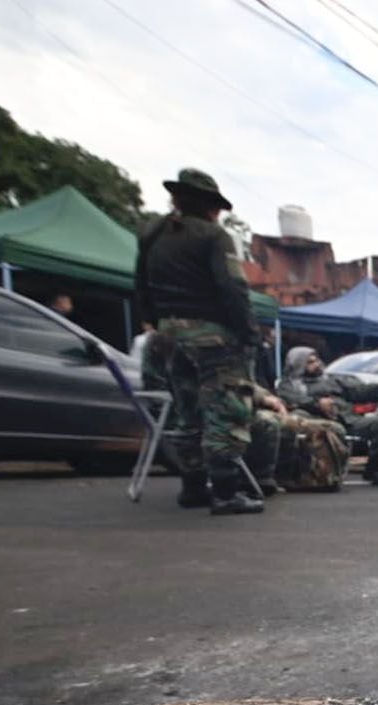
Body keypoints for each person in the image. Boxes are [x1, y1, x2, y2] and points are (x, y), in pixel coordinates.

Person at [135, 168, 263, 515]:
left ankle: (192, 486)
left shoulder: (153, 233)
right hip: (211, 335)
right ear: (210, 205)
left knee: (187, 411)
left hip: (167, 335)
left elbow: (140, 282)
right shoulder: (213, 236)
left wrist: (153, 321)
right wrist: (249, 331)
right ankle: (225, 491)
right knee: (227, 409)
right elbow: (232, 288)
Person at [276, 346, 378, 485]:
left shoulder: (332, 380)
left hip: (347, 420)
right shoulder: (288, 385)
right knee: (298, 417)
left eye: (316, 360)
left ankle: (372, 470)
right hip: (317, 423)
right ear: (298, 365)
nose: (317, 364)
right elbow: (295, 400)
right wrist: (317, 404)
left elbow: (361, 391)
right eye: (310, 362)